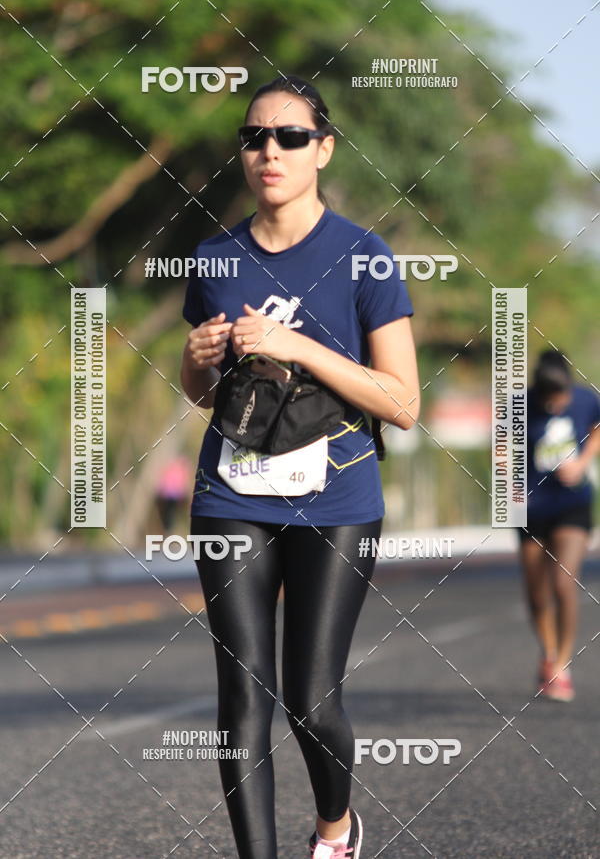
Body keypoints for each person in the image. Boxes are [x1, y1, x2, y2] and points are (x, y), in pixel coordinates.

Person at [180, 75, 420, 858]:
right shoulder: (214, 257)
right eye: (254, 138)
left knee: (311, 701)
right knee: (240, 697)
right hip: (232, 491)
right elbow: (204, 394)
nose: (269, 151)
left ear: (323, 149)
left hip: (337, 493)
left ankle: (336, 828)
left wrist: (301, 346)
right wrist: (195, 362)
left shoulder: (365, 257)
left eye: (288, 137)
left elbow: (402, 403)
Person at [517, 349, 600, 702]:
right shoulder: (518, 406)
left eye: (561, 396)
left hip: (572, 505)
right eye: (550, 399)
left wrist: (582, 463)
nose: (557, 404)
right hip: (531, 509)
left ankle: (562, 664)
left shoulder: (585, 399)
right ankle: (548, 655)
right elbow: (501, 450)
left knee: (564, 582)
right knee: (537, 593)